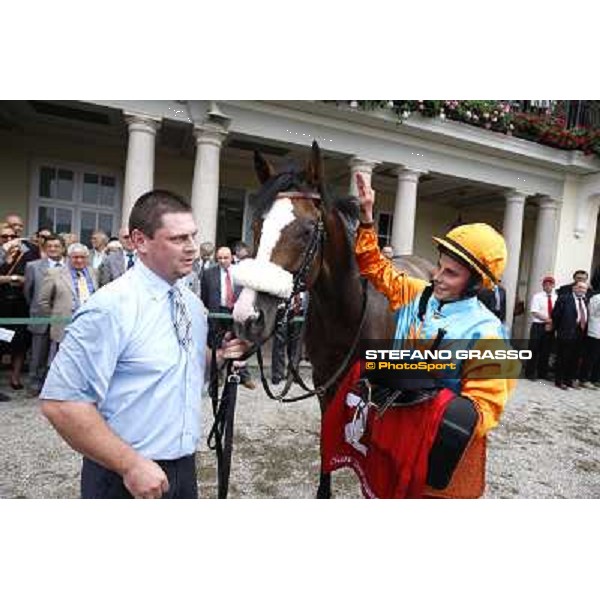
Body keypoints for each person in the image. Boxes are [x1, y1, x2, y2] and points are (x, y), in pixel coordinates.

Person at [40, 190, 250, 499]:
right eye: (178, 239)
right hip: (123, 477)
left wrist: (219, 358)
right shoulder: (111, 307)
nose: (192, 248)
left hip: (182, 469)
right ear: (140, 241)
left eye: (193, 236)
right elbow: (61, 403)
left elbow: (182, 364)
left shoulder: (191, 304)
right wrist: (130, 465)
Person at [351, 173, 516, 496]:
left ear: (476, 282)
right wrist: (368, 219)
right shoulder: (417, 292)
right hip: (392, 428)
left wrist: (419, 384)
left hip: (439, 452)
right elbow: (375, 268)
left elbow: (483, 412)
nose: (437, 277)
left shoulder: (489, 334)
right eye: (439, 266)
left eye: (451, 273)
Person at [202, 246, 256, 390]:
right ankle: (217, 375)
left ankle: (243, 375)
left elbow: (247, 292)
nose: (222, 261)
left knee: (238, 342)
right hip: (217, 311)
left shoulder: (240, 273)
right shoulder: (208, 274)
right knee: (216, 344)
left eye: (225, 258)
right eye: (219, 258)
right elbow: (204, 296)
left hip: (235, 312)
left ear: (231, 257)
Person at [38, 243, 99, 364]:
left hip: (89, 325)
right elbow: (43, 301)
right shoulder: (54, 273)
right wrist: (55, 317)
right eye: (75, 257)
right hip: (64, 326)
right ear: (68, 258)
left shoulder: (94, 272)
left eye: (82, 257)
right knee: (61, 362)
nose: (79, 260)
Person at [24, 235, 66, 394]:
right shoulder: (33, 266)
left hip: (62, 317)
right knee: (38, 353)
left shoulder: (70, 266)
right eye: (50, 246)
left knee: (59, 353)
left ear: (63, 248)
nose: (53, 249)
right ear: (44, 248)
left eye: (56, 246)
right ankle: (34, 383)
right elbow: (28, 292)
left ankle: (54, 385)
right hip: (41, 315)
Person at [0, 222, 39, 393]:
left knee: (20, 342)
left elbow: (34, 273)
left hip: (21, 301)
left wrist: (24, 280)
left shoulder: (28, 250)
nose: (9, 239)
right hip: (1, 301)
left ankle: (15, 377)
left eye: (12, 236)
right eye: (4, 236)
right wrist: (9, 278)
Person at [552, 280, 589, 389]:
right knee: (563, 357)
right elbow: (555, 315)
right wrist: (560, 329)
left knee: (575, 358)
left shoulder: (585, 300)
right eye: (579, 287)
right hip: (566, 332)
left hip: (580, 333)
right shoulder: (564, 298)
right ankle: (559, 381)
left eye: (584, 288)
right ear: (574, 288)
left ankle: (569, 380)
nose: (581, 290)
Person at [525, 276, 557, 381]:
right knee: (534, 349)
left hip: (551, 325)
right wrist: (548, 320)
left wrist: (552, 322)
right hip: (538, 325)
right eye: (545, 284)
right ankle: (530, 372)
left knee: (546, 350)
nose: (548, 286)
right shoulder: (537, 296)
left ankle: (542, 372)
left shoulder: (556, 297)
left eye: (550, 284)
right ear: (543, 285)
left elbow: (557, 312)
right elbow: (535, 312)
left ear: (553, 285)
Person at [579, 288, 600, 389]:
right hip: (595, 331)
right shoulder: (596, 298)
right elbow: (592, 313)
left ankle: (595, 379)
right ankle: (584, 379)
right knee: (590, 357)